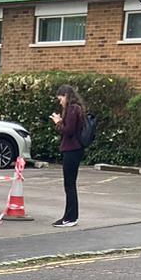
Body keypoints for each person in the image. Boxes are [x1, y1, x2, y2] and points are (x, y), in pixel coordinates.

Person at [50, 85, 86, 227]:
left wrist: (58, 122)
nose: (60, 102)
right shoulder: (77, 108)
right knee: (70, 184)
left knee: (69, 185)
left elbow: (68, 130)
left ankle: (70, 218)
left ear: (66, 95)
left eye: (61, 99)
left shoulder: (72, 109)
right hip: (76, 149)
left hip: (71, 149)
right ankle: (70, 216)